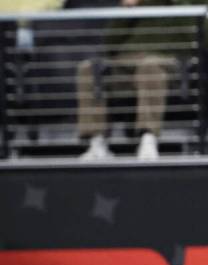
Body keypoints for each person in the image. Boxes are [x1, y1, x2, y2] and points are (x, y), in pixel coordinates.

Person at [76, 0, 196, 160]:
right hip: (127, 59)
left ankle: (148, 139)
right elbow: (110, 43)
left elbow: (198, 36)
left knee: (149, 66)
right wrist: (127, 10)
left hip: (169, 59)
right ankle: (97, 142)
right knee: (89, 68)